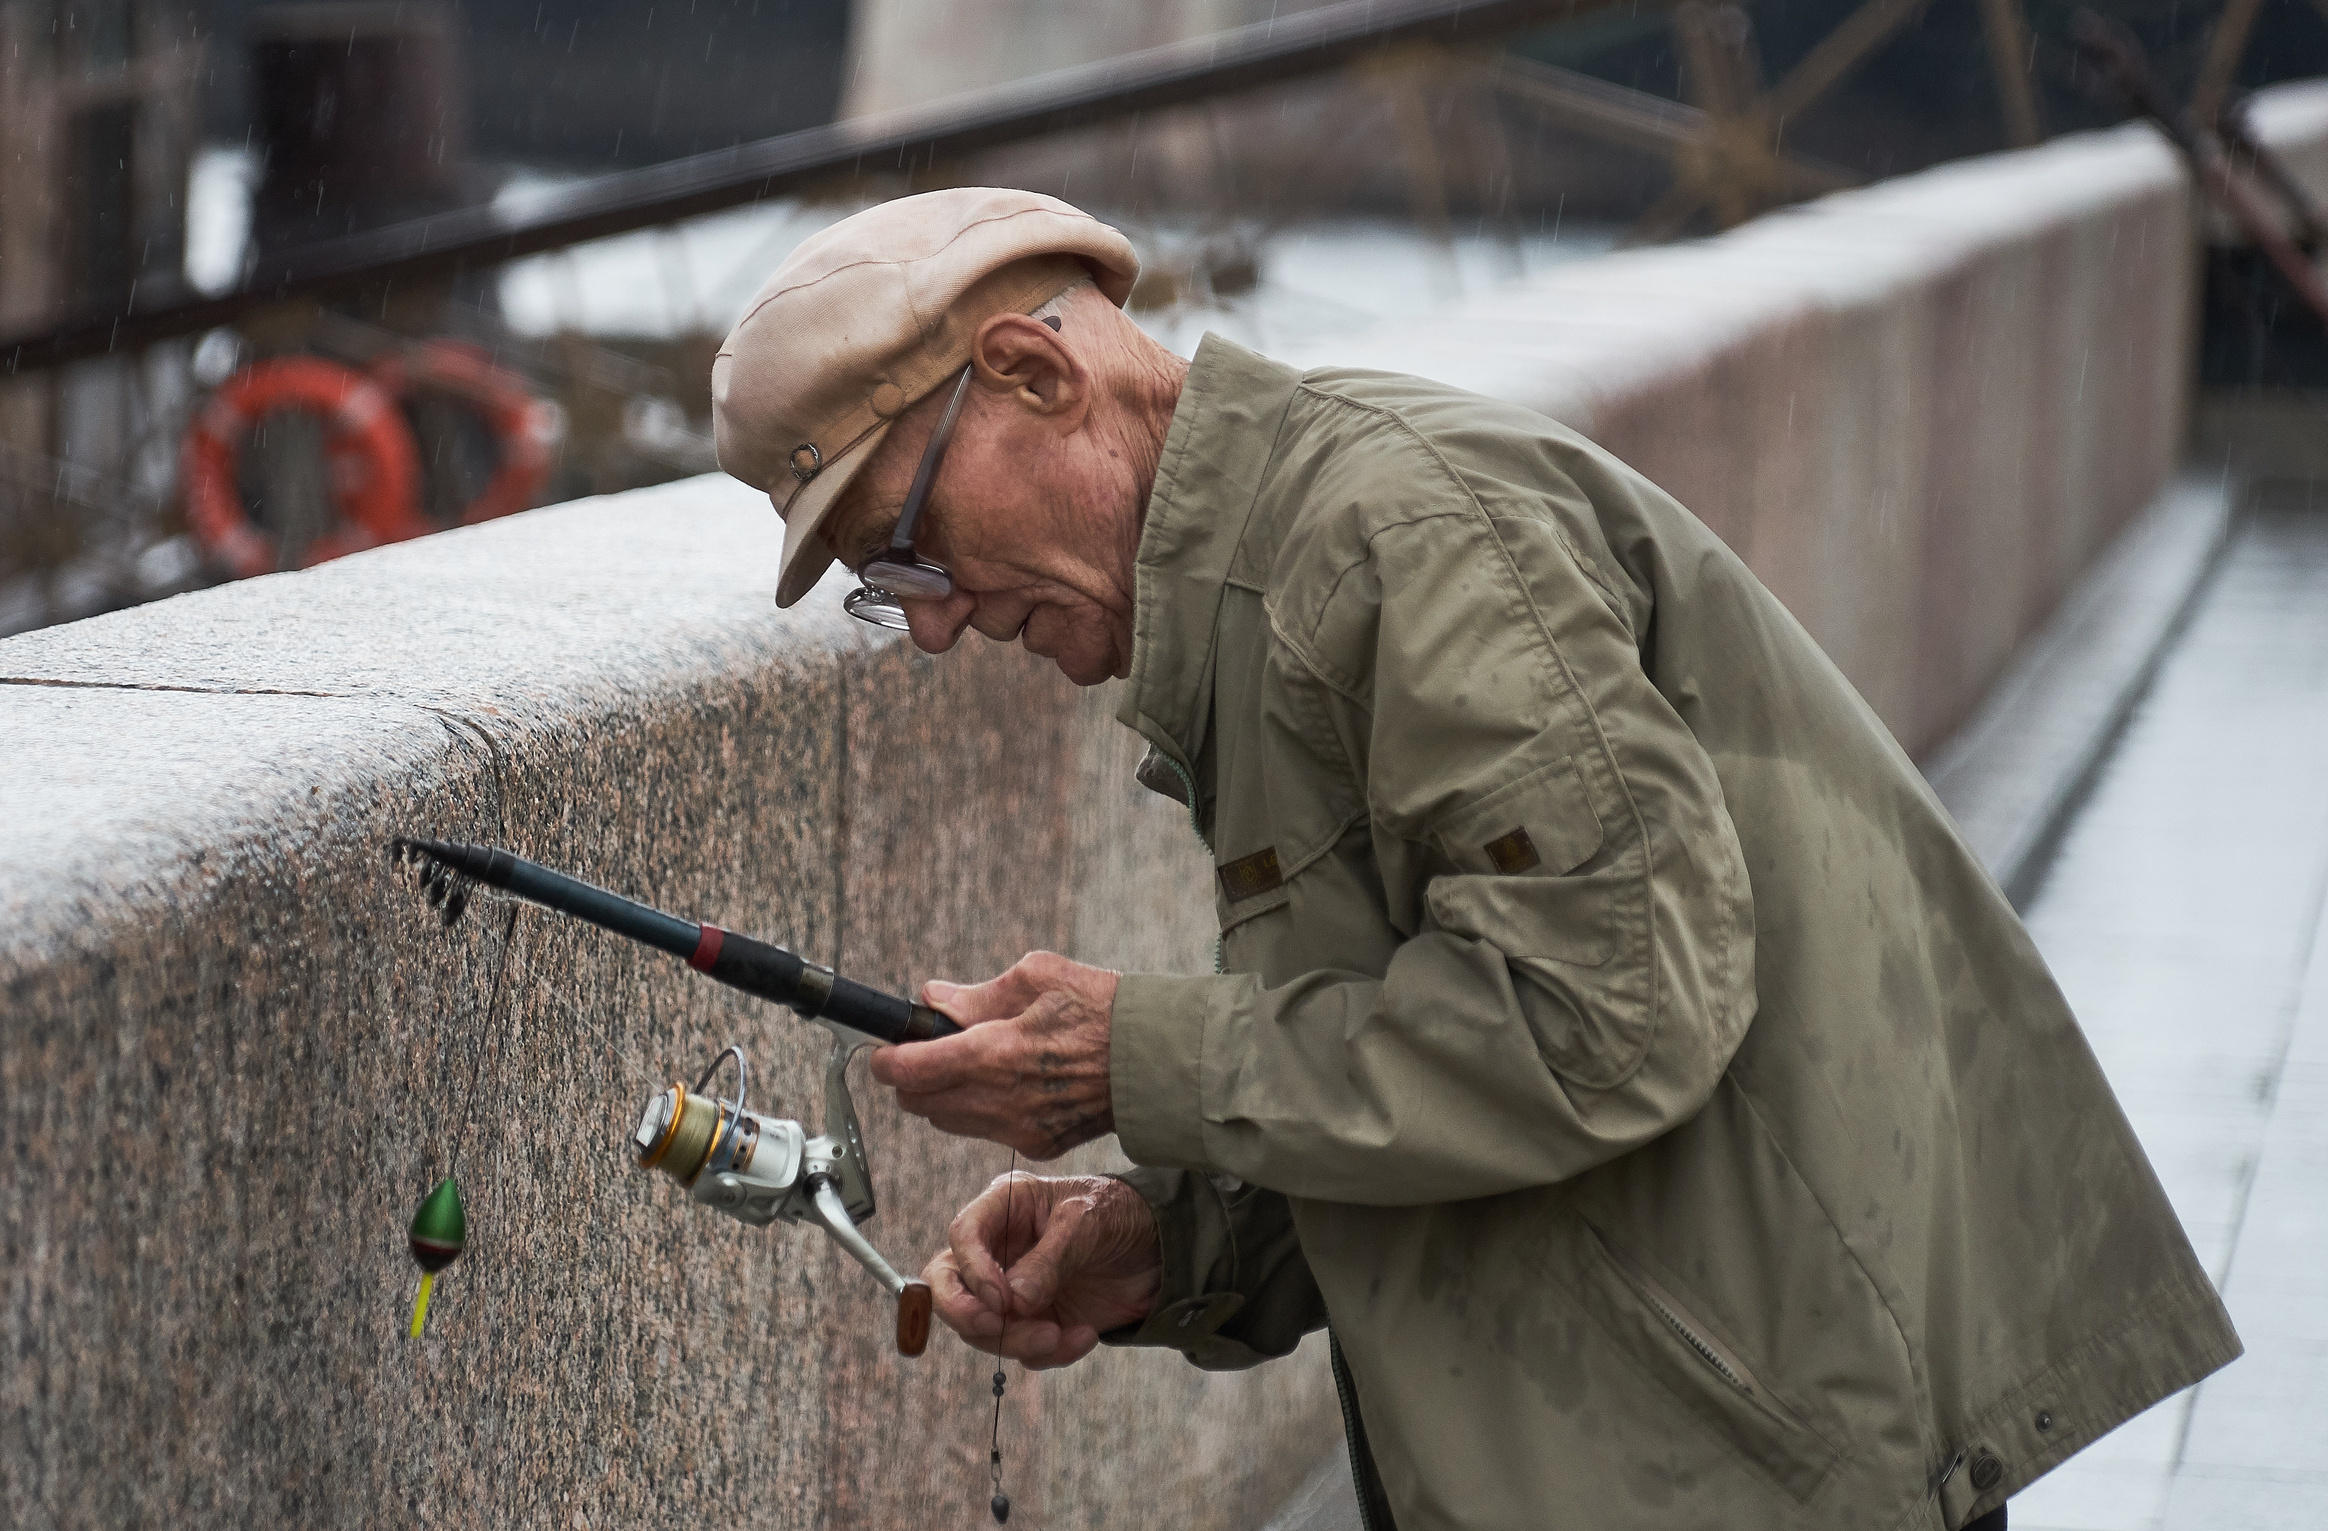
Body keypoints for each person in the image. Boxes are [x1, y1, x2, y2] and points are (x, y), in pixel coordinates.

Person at [708, 188, 2238, 1531]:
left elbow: (1614, 1010)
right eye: (873, 588)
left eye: (904, 544)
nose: (925, 618)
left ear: (1034, 374)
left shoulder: (1393, 537)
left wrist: (1136, 1058)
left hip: (1751, 1454)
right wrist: (1166, 1244)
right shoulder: (1270, 576)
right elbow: (1436, 1064)